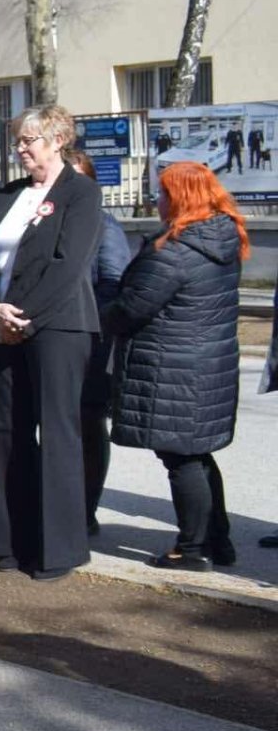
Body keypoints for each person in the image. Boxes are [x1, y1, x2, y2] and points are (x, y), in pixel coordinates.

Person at [0, 104, 102, 580]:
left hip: (58, 327)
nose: (20, 149)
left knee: (56, 433)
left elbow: (68, 265)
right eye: (18, 141)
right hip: (3, 325)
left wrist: (24, 318)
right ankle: (10, 543)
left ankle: (59, 550)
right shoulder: (9, 196)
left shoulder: (80, 193)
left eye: (30, 140)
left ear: (58, 139)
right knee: (5, 431)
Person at [104, 162, 247, 573]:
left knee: (181, 460)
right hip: (206, 367)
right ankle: (217, 540)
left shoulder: (177, 251)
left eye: (165, 193)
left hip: (173, 370)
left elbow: (131, 308)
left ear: (182, 197)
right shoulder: (223, 237)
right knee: (197, 456)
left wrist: (96, 312)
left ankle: (193, 549)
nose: (159, 201)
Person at [64, 147, 131, 534]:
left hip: (91, 342)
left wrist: (87, 322)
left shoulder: (105, 226)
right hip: (53, 342)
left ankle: (86, 510)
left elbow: (113, 283)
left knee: (88, 425)